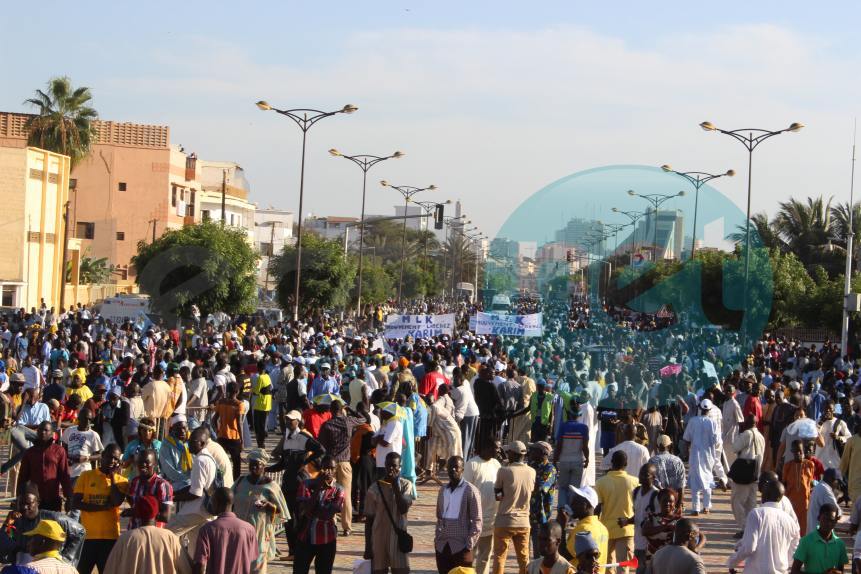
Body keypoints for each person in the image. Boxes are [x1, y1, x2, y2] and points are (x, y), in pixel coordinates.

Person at [264, 409, 324, 560]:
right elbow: (284, 463)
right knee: (288, 518)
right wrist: (267, 469)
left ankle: (300, 551)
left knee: (299, 518)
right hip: (288, 482)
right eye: (286, 419)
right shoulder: (287, 438)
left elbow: (320, 450)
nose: (288, 422)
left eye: (291, 419)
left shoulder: (303, 437)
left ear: (298, 421)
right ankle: (292, 552)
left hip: (300, 482)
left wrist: (304, 462)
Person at [72, 445, 129, 574]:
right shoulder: (86, 475)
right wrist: (102, 507)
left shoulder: (122, 481)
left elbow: (115, 502)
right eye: (109, 456)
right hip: (88, 536)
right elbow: (75, 503)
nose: (112, 461)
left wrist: (113, 476)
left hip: (110, 537)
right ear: (102, 456)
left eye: (115, 459)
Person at [231, 448, 289, 574]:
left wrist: (268, 506)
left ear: (264, 466)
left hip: (260, 533)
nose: (254, 467)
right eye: (252, 464)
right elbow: (229, 500)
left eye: (257, 464)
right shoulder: (241, 481)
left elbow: (281, 511)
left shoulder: (271, 486)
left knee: (257, 568)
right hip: (239, 533)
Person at [727, 476, 800, 574]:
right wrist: (781, 562)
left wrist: (732, 562)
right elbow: (794, 547)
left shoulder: (756, 514)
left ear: (764, 495)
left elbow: (749, 547)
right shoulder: (790, 521)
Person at [168, 427, 219, 565]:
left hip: (196, 510)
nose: (189, 443)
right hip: (204, 512)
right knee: (196, 549)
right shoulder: (208, 458)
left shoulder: (200, 460)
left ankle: (174, 566)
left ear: (202, 443)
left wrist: (172, 497)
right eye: (189, 440)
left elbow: (195, 493)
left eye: (193, 441)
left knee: (167, 535)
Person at [103, 495, 188, 574]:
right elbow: (186, 568)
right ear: (158, 514)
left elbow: (110, 569)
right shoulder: (170, 537)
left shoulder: (125, 539)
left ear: (137, 514)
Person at [0, 489, 85, 567]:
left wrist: (66, 558)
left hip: (47, 568)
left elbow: (80, 531)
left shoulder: (54, 518)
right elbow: (3, 551)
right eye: (21, 503)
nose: (24, 507)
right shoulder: (15, 520)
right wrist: (6, 525)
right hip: (23, 569)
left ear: (38, 502)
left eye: (28, 504)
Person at [365, 452, 416, 574]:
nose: (391, 469)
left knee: (401, 570)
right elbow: (369, 520)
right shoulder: (374, 488)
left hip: (397, 539)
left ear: (400, 466)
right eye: (388, 465)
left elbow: (403, 508)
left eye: (394, 466)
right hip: (379, 539)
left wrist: (395, 486)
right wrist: (367, 546)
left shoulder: (406, 485)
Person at [294, 455, 345, 574]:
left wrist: (312, 510)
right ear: (320, 468)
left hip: (327, 538)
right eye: (326, 468)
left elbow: (327, 515)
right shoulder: (306, 484)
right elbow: (305, 510)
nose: (329, 472)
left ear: (335, 469)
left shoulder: (338, 489)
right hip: (305, 537)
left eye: (332, 468)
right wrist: (318, 487)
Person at [492, 441, 536, 574]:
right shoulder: (532, 471)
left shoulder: (504, 471)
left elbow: (497, 494)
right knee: (524, 559)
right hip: (523, 521)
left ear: (512, 454)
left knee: (500, 557)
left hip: (504, 520)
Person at [434, 455, 481, 574]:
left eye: (456, 467)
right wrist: (437, 539)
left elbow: (477, 520)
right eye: (450, 467)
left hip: (461, 546)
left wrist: (469, 545)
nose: (453, 470)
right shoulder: (443, 490)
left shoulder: (470, 490)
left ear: (462, 470)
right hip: (443, 546)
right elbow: (439, 516)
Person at [194, 487, 259, 574]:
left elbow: (200, 563)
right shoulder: (249, 529)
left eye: (211, 501)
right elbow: (252, 559)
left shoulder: (207, 529)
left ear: (216, 502)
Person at [594, 450, 638, 574]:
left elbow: (597, 508)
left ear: (611, 463)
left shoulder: (601, 482)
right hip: (626, 529)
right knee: (623, 566)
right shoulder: (634, 482)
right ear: (626, 464)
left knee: (607, 565)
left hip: (606, 530)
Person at [317, 397, 356, 536]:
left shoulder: (327, 425)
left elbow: (321, 444)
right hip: (345, 462)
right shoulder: (349, 422)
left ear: (331, 411)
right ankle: (347, 527)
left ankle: (332, 522)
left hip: (330, 463)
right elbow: (364, 418)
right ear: (342, 410)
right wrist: (349, 408)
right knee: (346, 495)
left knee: (330, 494)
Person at [464, 439, 501, 574]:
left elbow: (499, 487)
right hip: (473, 520)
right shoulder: (472, 464)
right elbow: (465, 490)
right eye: (495, 448)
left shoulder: (496, 464)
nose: (498, 450)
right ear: (486, 448)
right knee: (469, 556)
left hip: (491, 519)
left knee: (485, 556)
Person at [17, 421, 72, 512]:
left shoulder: (59, 451)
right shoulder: (30, 452)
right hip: (33, 501)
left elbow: (64, 475)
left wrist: (69, 497)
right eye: (41, 430)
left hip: (53, 499)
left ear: (52, 433)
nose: (43, 432)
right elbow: (22, 477)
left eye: (46, 430)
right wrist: (19, 498)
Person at [682, 399, 721, 515]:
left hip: (695, 455)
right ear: (709, 410)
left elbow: (686, 439)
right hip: (708, 455)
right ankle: (706, 506)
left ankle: (696, 508)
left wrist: (685, 452)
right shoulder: (713, 423)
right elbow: (717, 441)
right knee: (707, 479)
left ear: (700, 408)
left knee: (695, 481)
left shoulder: (693, 421)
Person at [730, 414, 765, 538]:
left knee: (737, 502)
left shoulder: (746, 434)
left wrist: (738, 435)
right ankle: (752, 529)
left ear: (747, 423)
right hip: (755, 474)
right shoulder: (761, 436)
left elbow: (734, 448)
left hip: (743, 475)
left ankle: (745, 528)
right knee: (751, 503)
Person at [789, 502, 847, 574]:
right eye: (825, 519)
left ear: (836, 521)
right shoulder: (806, 541)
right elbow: (794, 571)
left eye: (832, 520)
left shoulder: (840, 544)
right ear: (819, 518)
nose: (828, 523)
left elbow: (841, 570)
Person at [563, 486, 608, 573]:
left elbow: (565, 556)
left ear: (586, 505)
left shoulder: (583, 529)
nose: (571, 504)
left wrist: (561, 526)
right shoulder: (603, 528)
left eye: (575, 501)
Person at [624, 463, 659, 574]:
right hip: (637, 541)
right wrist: (627, 521)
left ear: (653, 477)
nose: (641, 476)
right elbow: (638, 515)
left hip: (650, 545)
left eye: (646, 475)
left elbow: (658, 520)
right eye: (641, 473)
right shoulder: (636, 492)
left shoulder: (656, 495)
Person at [126, 449, 173, 529]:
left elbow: (166, 517)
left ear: (154, 464)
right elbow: (133, 504)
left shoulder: (162, 485)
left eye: (147, 462)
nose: (143, 465)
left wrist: (136, 512)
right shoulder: (135, 482)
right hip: (134, 530)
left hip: (153, 534)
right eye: (140, 462)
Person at [555, 403, 589, 511]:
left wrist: (555, 460)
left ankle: (561, 509)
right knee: (574, 489)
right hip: (577, 461)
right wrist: (587, 459)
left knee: (563, 488)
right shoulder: (583, 428)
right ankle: (570, 512)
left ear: (569, 414)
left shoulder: (563, 426)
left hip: (564, 461)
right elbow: (585, 447)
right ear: (579, 415)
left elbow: (559, 446)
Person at [210, 382, 245, 481]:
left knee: (221, 462)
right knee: (236, 463)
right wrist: (242, 441)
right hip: (234, 437)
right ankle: (235, 483)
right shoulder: (239, 404)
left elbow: (214, 420)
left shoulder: (221, 402)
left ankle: (221, 481)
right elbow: (239, 423)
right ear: (237, 391)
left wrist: (217, 431)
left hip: (222, 436)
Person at [528, 442, 557, 558]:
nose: (530, 452)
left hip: (540, 515)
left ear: (543, 453)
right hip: (527, 512)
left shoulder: (550, 469)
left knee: (538, 552)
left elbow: (540, 487)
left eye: (533, 450)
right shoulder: (532, 465)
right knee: (524, 550)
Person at [61, 407, 103, 483]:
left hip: (83, 471)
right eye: (85, 418)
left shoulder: (93, 435)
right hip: (69, 471)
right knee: (69, 494)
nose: (87, 421)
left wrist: (86, 458)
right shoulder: (69, 430)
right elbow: (63, 449)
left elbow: (100, 455)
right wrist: (67, 458)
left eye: (90, 419)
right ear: (79, 418)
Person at [783, 439, 816, 535]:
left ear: (803, 451)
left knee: (804, 528)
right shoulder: (787, 466)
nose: (798, 454)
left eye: (800, 451)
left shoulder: (810, 465)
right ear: (792, 452)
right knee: (791, 527)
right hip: (791, 501)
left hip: (805, 501)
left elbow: (810, 482)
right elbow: (784, 483)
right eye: (795, 451)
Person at [641, 488, 682, 561]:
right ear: (659, 502)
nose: (667, 503)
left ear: (674, 503)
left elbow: (699, 535)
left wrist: (696, 547)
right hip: (652, 559)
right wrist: (666, 527)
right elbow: (645, 531)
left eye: (670, 501)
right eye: (665, 501)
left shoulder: (679, 520)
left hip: (671, 560)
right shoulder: (652, 517)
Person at [647, 435, 685, 507]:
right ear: (670, 445)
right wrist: (679, 504)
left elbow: (650, 484)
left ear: (657, 446)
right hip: (673, 501)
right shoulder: (677, 461)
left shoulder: (652, 461)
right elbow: (681, 485)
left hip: (658, 501)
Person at [160, 418, 193, 493]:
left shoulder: (193, 441)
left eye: (184, 428)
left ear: (188, 428)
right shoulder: (166, 445)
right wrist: (188, 481)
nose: (182, 431)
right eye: (178, 428)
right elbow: (170, 471)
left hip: (192, 482)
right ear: (172, 429)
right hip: (174, 483)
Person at [807, 468, 841, 536]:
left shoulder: (819, 486)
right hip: (820, 533)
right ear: (832, 480)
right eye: (838, 482)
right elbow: (838, 513)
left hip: (813, 530)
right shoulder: (826, 491)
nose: (838, 485)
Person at [250, 360, 272, 448]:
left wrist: (252, 391)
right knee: (263, 424)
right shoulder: (267, 376)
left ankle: (260, 443)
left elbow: (256, 391)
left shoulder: (260, 377)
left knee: (257, 425)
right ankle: (262, 442)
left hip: (260, 403)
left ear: (258, 368)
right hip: (267, 402)